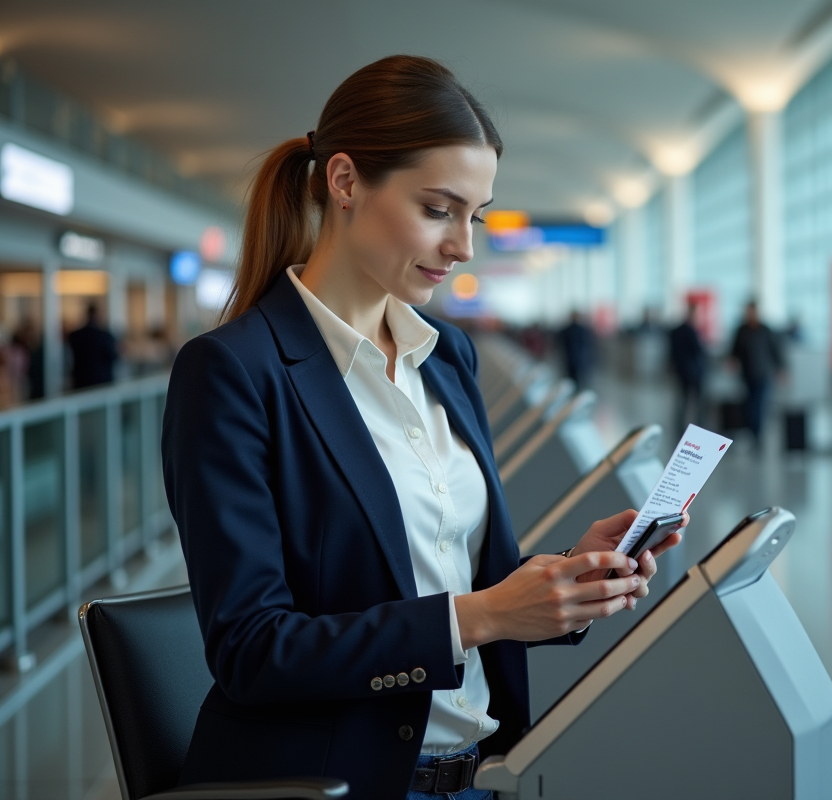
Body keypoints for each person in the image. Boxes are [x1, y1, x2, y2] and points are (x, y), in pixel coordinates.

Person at [161, 56, 683, 800]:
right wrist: (482, 616)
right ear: (344, 182)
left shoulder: (446, 358)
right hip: (333, 785)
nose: (465, 245)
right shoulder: (233, 373)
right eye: (439, 210)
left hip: (476, 778)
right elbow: (252, 650)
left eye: (476, 214)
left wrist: (566, 579)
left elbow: (454, 578)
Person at [729, 301, 784, 449]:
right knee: (748, 405)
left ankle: (758, 436)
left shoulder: (765, 330)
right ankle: (751, 433)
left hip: (763, 374)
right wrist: (732, 361)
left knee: (760, 405)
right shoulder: (741, 330)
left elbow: (775, 350)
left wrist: (781, 369)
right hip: (747, 374)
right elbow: (734, 350)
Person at [668, 301, 707, 437]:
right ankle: (699, 430)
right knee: (696, 404)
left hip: (681, 372)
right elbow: (699, 351)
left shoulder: (675, 331)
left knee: (683, 403)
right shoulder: (692, 331)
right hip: (694, 373)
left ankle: (679, 430)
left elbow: (671, 353)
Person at [67, 303, 119, 389]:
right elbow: (113, 356)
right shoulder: (104, 336)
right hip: (101, 382)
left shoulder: (75, 335)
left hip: (81, 380)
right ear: (97, 315)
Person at [558, 310, 596, 389]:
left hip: (571, 358)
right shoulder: (584, 330)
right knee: (581, 378)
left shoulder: (566, 330)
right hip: (580, 358)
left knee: (573, 378)